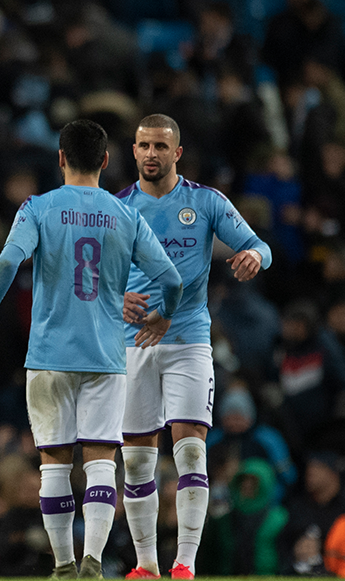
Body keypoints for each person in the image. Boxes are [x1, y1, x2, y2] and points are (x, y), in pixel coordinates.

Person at [0, 119, 183, 579]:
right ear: (106, 161)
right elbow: (171, 279)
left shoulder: (39, 207)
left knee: (54, 463)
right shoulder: (126, 214)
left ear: (61, 158)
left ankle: (63, 565)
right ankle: (93, 561)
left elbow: (8, 260)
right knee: (103, 459)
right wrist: (163, 316)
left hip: (48, 357)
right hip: (106, 358)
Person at [116, 114, 272, 580]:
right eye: (143, 145)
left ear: (177, 153)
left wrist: (252, 256)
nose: (151, 153)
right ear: (134, 151)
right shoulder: (118, 206)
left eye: (160, 146)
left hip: (188, 340)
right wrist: (116, 295)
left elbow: (261, 244)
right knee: (139, 457)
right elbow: (93, 275)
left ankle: (185, 564)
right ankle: (146, 566)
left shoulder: (205, 202)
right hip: (133, 343)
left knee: (189, 451)